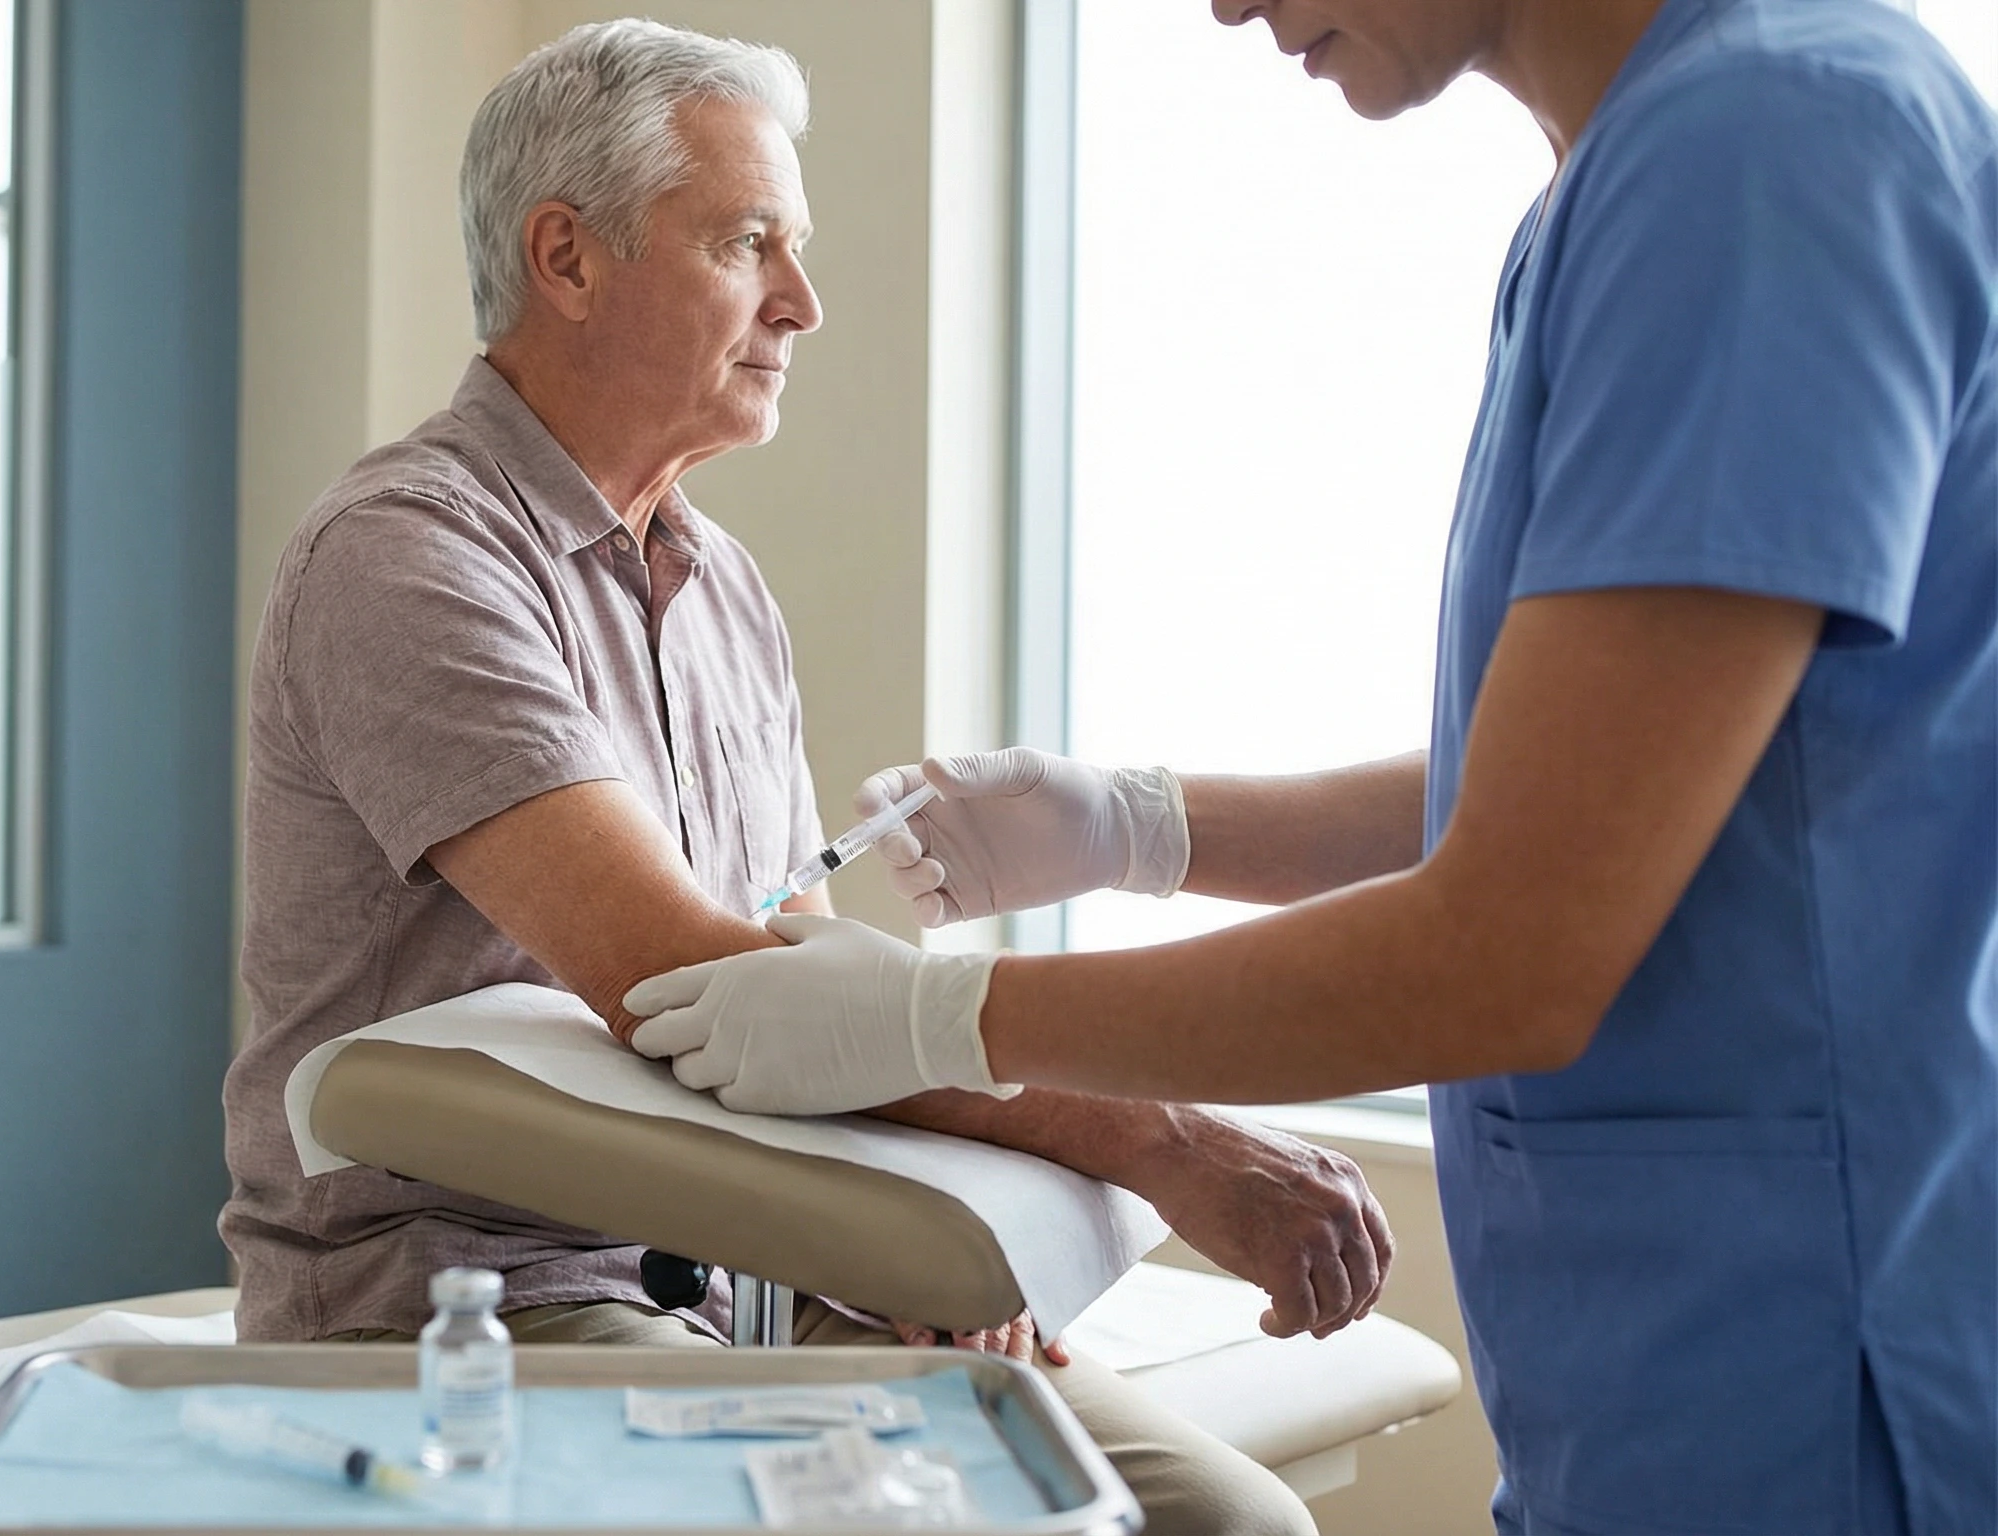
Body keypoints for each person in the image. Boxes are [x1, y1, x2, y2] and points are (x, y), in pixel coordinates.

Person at [622, 2, 1996, 1533]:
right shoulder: (1626, 180)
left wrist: (947, 1016)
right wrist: (1143, 828)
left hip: (1810, 1369)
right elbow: (1585, 782)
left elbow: (1520, 943)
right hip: (1660, 1362)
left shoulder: (1764, 152)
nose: (1219, 3)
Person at [221, 18, 1388, 1534]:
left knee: (1225, 1522)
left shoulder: (725, 592)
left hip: (750, 1269)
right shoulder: (409, 558)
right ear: (568, 260)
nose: (804, 302)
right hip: (475, 1303)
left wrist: (910, 1255)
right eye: (749, 241)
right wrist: (1158, 1142)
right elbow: (683, 979)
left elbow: (798, 994)